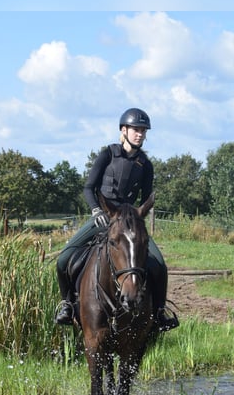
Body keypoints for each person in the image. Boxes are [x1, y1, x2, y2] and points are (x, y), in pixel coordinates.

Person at [54, 108, 179, 332]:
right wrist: (96, 210)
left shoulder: (146, 164)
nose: (140, 134)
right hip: (103, 217)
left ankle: (160, 312)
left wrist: (139, 219)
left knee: (159, 264)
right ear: (124, 130)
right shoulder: (108, 155)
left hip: (129, 223)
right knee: (63, 259)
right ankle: (67, 305)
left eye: (143, 131)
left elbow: (145, 199)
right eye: (136, 130)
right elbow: (88, 188)